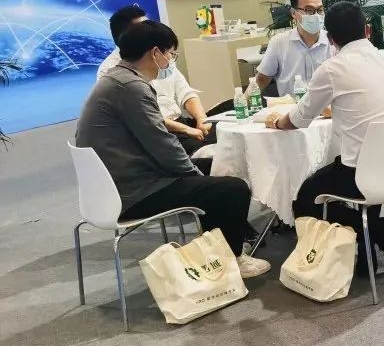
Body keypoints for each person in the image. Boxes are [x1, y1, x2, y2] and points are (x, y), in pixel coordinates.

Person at [76, 20, 270, 278]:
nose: (170, 60)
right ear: (155, 53)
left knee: (218, 165)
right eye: (171, 54)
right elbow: (163, 145)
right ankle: (231, 259)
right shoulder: (131, 88)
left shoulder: (118, 79)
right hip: (135, 192)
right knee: (232, 187)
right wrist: (196, 177)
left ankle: (218, 248)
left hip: (122, 182)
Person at [265, 1, 384, 273]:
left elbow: (298, 119)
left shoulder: (333, 69)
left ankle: (374, 230)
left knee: (304, 199)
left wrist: (277, 121)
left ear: (331, 39)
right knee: (360, 163)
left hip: (363, 175)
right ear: (367, 30)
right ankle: (369, 244)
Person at [98, 6, 217, 174]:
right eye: (143, 28)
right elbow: (149, 120)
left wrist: (201, 118)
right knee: (216, 160)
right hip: (161, 132)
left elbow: (185, 91)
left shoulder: (160, 56)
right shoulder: (115, 73)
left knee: (229, 120)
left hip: (180, 122)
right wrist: (187, 130)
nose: (150, 30)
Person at [255, 0, 332, 97]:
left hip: (327, 106)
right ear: (294, 13)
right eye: (309, 10)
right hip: (291, 106)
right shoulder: (279, 43)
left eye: (320, 10)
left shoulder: (333, 42)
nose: (316, 15)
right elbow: (261, 79)